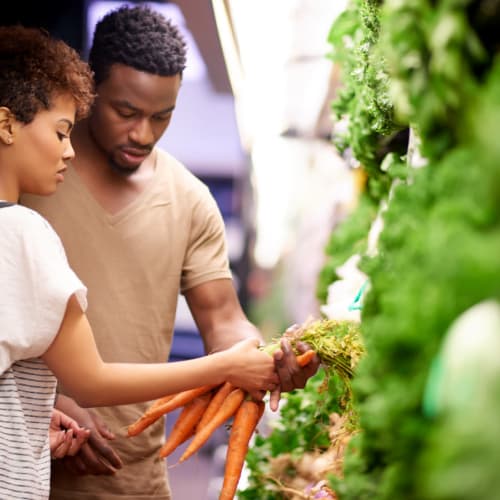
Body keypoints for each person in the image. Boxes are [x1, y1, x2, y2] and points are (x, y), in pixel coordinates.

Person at [22, 5, 320, 499]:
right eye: (126, 112)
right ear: (89, 88)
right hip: (28, 469)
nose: (143, 134)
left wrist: (263, 358)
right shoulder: (31, 175)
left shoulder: (190, 198)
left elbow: (223, 319)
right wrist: (44, 402)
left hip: (136, 479)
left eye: (162, 117)